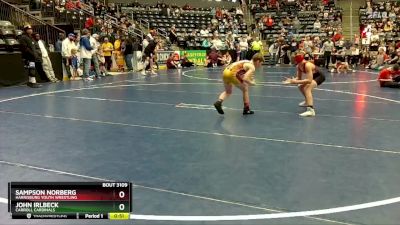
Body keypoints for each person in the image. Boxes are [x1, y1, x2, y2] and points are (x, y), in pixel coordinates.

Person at [283, 52, 326, 117]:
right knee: (300, 86)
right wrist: (292, 80)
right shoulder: (299, 66)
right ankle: (307, 101)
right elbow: (299, 78)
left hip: (320, 76)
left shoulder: (307, 65)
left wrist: (294, 82)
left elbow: (309, 80)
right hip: (313, 76)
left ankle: (311, 110)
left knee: (307, 88)